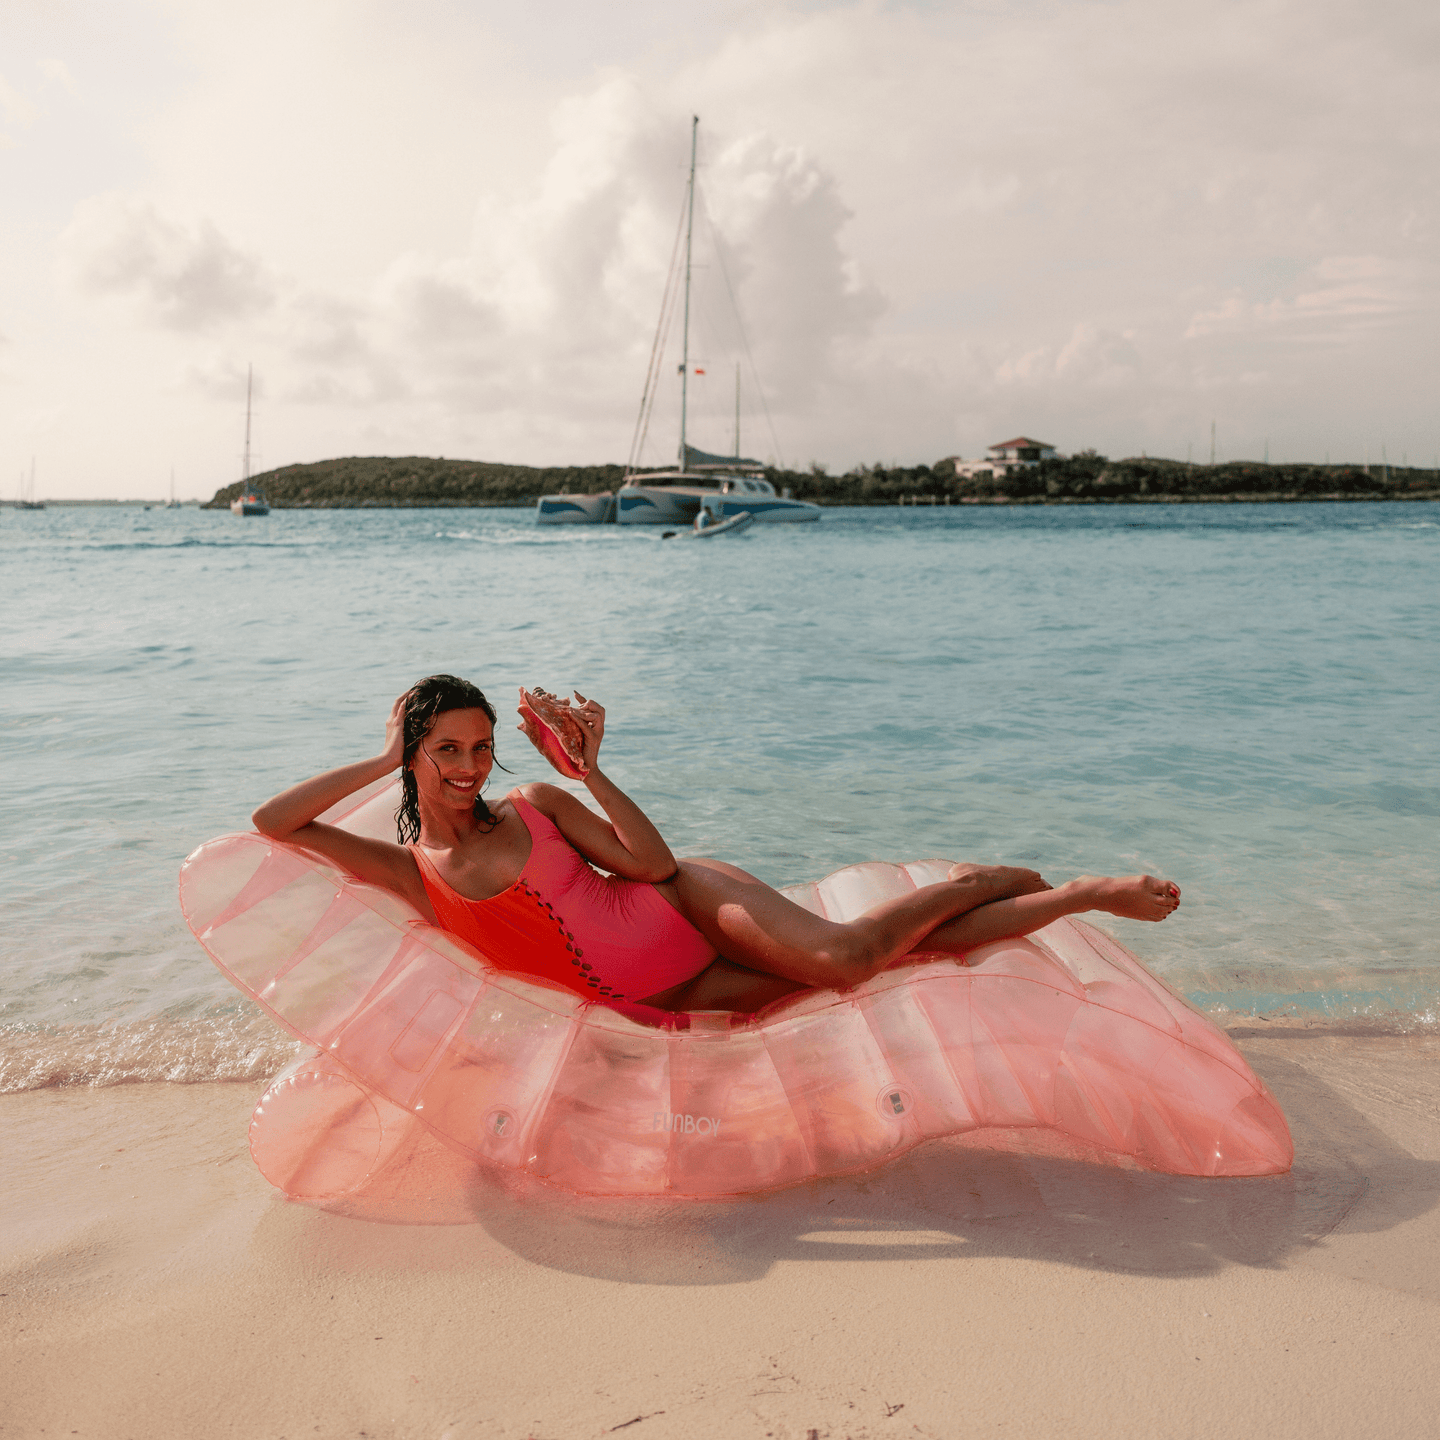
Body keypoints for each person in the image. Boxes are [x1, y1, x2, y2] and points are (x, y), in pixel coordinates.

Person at [251, 675, 1180, 1015]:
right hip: (665, 992)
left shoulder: (533, 806)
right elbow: (274, 824)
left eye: (477, 746)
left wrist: (588, 777)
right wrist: (382, 753)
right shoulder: (411, 871)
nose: (467, 765)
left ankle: (983, 879)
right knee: (893, 971)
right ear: (417, 753)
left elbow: (651, 865)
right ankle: (1065, 898)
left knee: (849, 956)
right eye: (444, 748)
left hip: (686, 904)